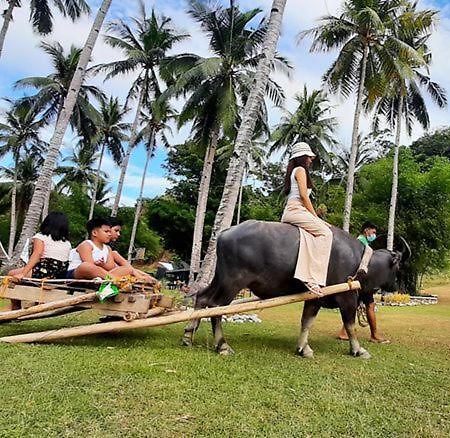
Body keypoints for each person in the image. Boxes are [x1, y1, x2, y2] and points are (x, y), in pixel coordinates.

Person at [280, 142, 333, 295]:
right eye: (309, 157)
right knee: (325, 233)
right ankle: (311, 278)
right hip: (296, 209)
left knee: (312, 235)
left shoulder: (295, 170)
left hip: (295, 209)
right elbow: (303, 196)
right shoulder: (300, 170)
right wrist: (316, 218)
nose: (311, 160)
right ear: (302, 157)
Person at [337, 221, 390, 344]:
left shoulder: (363, 243)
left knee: (355, 306)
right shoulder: (362, 243)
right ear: (367, 231)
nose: (374, 234)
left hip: (361, 281)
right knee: (370, 305)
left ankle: (344, 332)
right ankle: (374, 335)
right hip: (362, 282)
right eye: (373, 232)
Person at [8, 212, 72, 309]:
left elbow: (37, 255)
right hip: (59, 275)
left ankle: (16, 306)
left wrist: (23, 273)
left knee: (11, 274)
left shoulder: (40, 237)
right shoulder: (67, 243)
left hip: (43, 272)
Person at [66, 218, 133, 280]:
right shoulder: (86, 244)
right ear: (94, 233)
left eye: (110, 231)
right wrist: (99, 266)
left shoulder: (108, 248)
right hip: (78, 273)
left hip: (101, 275)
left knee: (127, 269)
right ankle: (115, 280)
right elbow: (90, 265)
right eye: (106, 231)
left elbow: (111, 267)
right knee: (85, 266)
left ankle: (107, 280)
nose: (109, 234)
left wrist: (103, 265)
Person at [107, 217, 157, 284]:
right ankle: (143, 278)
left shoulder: (108, 249)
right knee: (130, 269)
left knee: (133, 270)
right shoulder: (91, 246)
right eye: (116, 231)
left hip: (114, 272)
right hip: (108, 275)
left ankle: (147, 277)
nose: (118, 234)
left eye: (119, 231)